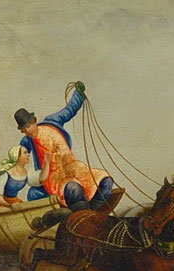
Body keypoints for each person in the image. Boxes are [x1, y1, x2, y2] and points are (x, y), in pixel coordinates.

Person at [14, 81, 114, 211]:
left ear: (34, 121)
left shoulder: (52, 121)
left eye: (28, 126)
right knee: (73, 189)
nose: (28, 130)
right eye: (24, 129)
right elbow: (17, 162)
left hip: (74, 168)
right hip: (54, 178)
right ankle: (84, 214)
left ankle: (93, 212)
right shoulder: (26, 142)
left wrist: (78, 94)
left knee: (106, 181)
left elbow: (69, 110)